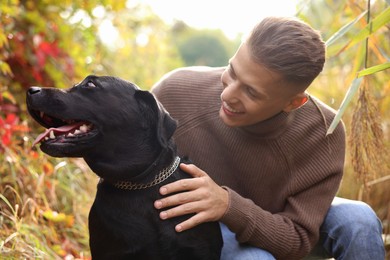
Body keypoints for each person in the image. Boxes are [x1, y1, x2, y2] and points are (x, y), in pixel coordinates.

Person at [151, 16, 385, 259]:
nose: (228, 94)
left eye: (251, 91)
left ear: (293, 103)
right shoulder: (174, 93)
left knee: (359, 220)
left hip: (279, 229)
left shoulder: (324, 132)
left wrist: (228, 205)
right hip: (198, 229)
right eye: (232, 71)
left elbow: (298, 241)